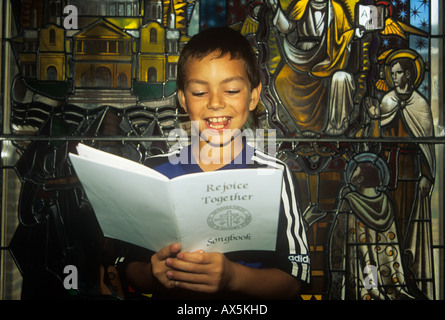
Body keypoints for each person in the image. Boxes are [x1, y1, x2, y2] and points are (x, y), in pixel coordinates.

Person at [115, 26, 311, 300]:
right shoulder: (154, 172)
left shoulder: (274, 174)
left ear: (253, 96)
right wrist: (155, 273)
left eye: (231, 90)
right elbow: (128, 266)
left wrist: (233, 277)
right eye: (199, 92)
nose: (216, 103)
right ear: (183, 99)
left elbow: (294, 279)